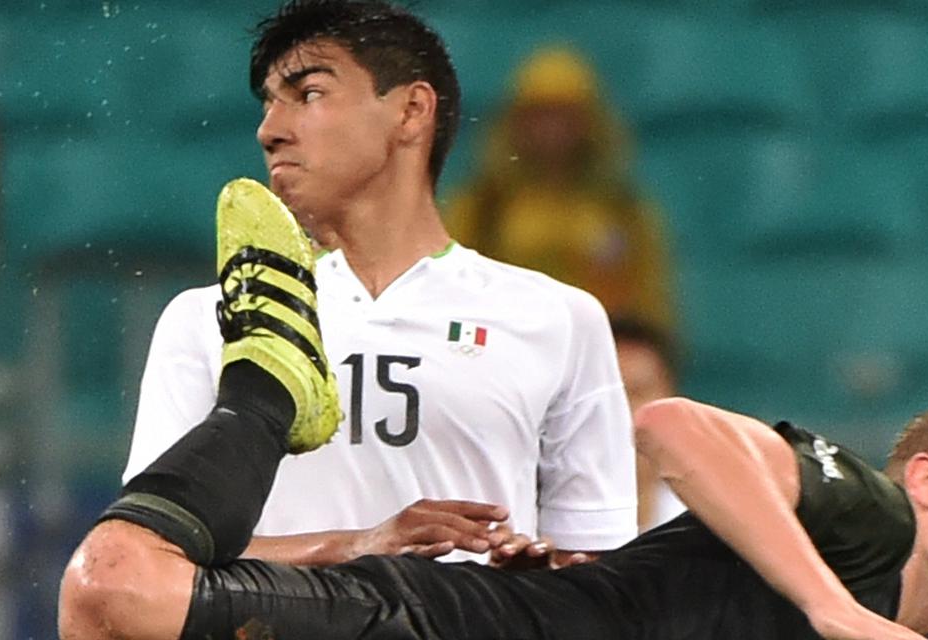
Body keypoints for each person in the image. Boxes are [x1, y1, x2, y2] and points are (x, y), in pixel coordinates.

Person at [59, 178, 928, 640]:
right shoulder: (861, 521)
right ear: (927, 477)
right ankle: (267, 385)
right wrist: (823, 596)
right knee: (114, 599)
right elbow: (673, 426)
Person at [122, 0, 636, 569]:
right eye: (269, 103)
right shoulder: (211, 318)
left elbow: (598, 579)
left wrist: (537, 580)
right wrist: (359, 546)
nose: (270, 130)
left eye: (309, 94)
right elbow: (150, 560)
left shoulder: (559, 320)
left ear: (411, 111)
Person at [444, 44, 674, 331]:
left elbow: (650, 300)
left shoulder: (624, 211)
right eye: (540, 115)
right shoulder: (482, 209)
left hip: (595, 354)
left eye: (566, 116)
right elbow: (451, 296)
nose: (552, 129)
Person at [611, 316, 686, 531]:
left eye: (636, 392)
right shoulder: (529, 528)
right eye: (610, 397)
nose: (622, 412)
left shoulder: (708, 530)